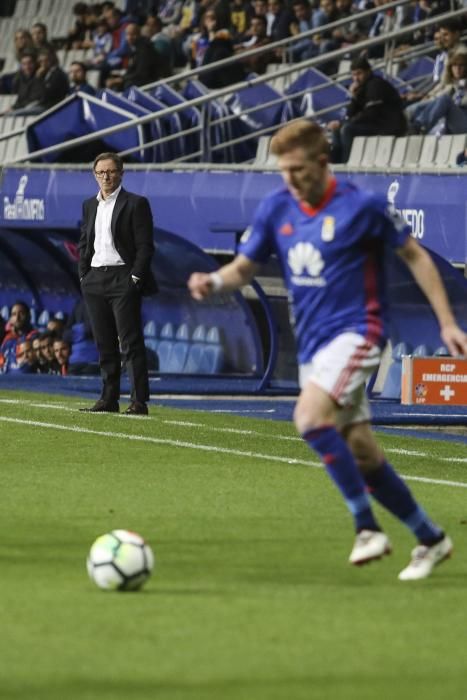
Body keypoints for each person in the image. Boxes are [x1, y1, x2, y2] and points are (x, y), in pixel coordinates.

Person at [188, 119, 467, 581]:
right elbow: (243, 267)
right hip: (314, 344)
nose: (289, 179)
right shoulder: (278, 205)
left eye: (297, 169)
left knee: (308, 418)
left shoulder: (363, 206)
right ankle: (431, 538)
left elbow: (415, 255)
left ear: (322, 162)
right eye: (283, 170)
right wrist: (213, 280)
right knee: (362, 452)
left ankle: (366, 528)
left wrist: (446, 322)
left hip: (359, 332)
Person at [78, 152, 157, 414]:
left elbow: (145, 246)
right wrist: (83, 274)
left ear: (121, 173)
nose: (106, 177)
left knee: (130, 341)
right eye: (101, 172)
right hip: (95, 279)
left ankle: (138, 401)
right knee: (104, 343)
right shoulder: (90, 205)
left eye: (111, 171)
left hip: (123, 277)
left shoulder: (136, 203)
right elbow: (85, 241)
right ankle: (108, 398)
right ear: (94, 175)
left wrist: (135, 277)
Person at [328, 55, 407, 163]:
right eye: (353, 75)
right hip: (375, 123)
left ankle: (345, 163)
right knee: (336, 129)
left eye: (359, 73)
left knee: (347, 129)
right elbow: (350, 114)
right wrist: (353, 97)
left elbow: (371, 113)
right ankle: (335, 165)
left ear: (368, 72)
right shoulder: (361, 87)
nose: (356, 78)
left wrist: (344, 123)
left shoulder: (376, 85)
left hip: (388, 124)